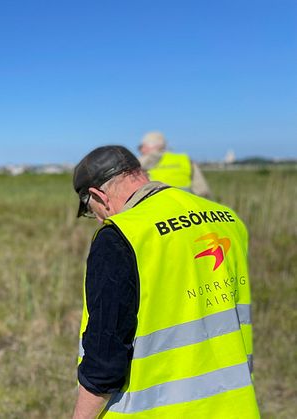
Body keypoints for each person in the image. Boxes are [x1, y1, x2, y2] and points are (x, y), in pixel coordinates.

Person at [71, 145, 257, 418]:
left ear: (100, 196)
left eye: (91, 210)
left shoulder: (120, 237)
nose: (98, 219)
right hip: (236, 407)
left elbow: (105, 361)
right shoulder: (226, 219)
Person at [138, 131, 211, 197]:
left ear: (150, 146)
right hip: (185, 203)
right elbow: (202, 191)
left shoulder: (143, 161)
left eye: (141, 146)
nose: (141, 150)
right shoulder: (184, 159)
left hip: (156, 204)